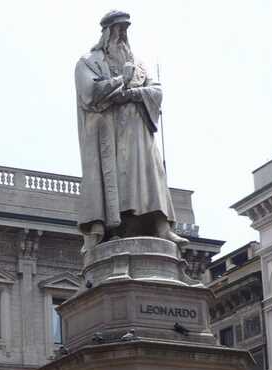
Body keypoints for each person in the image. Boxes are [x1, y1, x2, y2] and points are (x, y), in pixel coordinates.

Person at [74, 10, 188, 256]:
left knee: (150, 177)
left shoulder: (138, 64)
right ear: (107, 33)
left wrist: (133, 93)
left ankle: (161, 227)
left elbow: (156, 91)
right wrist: (119, 81)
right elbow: (89, 94)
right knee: (117, 183)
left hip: (138, 134)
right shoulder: (88, 62)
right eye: (118, 29)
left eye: (126, 30)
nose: (123, 35)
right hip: (109, 136)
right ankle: (113, 228)